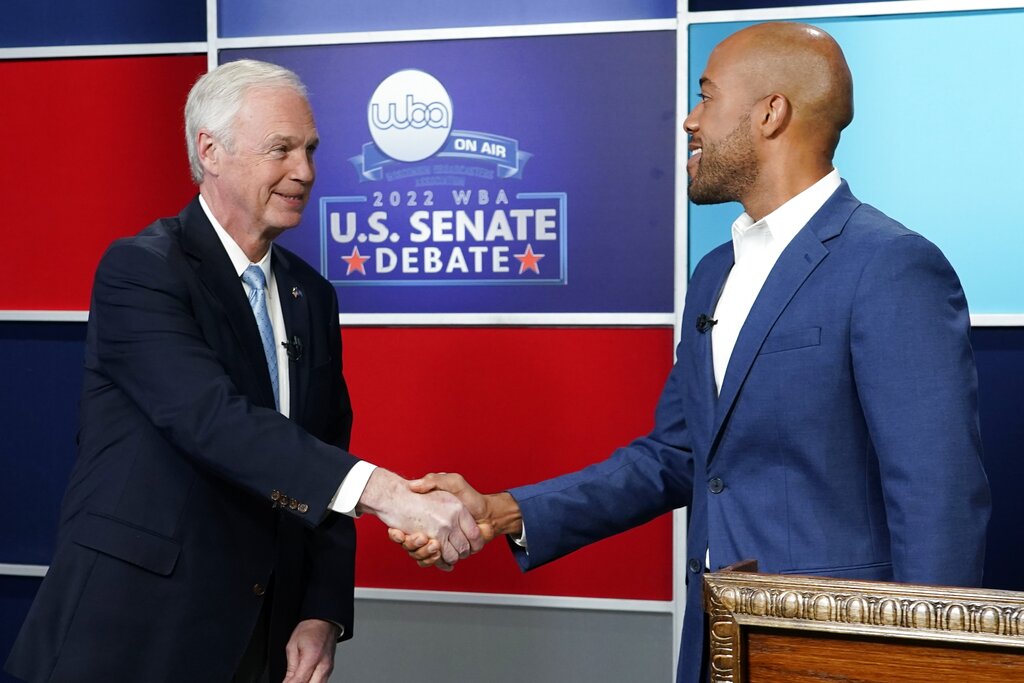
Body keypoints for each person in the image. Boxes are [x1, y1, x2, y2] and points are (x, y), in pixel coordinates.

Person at [390, 22, 991, 683]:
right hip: (718, 651)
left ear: (771, 113)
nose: (689, 118)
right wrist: (504, 509)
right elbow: (675, 456)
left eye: (707, 95)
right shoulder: (713, 273)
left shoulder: (891, 266)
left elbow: (938, 499)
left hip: (836, 658)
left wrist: (933, 667)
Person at [5, 59, 482, 683]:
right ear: (212, 151)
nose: (305, 172)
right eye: (281, 149)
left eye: (310, 149)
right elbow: (214, 420)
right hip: (134, 633)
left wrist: (321, 612)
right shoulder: (141, 270)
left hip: (260, 641)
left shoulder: (312, 295)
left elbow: (321, 452)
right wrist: (390, 497)